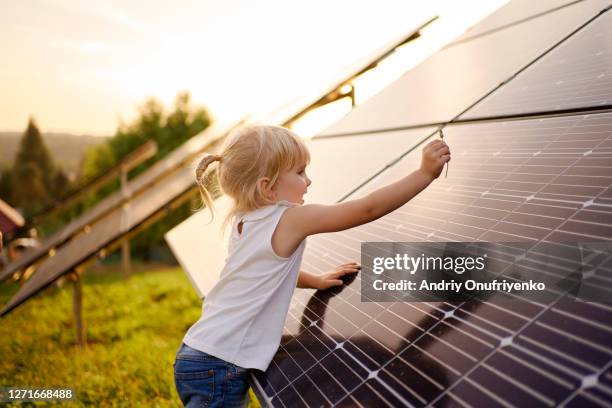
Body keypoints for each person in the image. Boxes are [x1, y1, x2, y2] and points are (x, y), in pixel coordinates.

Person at [173, 125, 451, 407]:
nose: (308, 180)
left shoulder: (244, 221)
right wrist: (424, 174)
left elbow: (264, 275)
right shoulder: (291, 218)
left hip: (197, 353)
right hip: (222, 366)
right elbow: (367, 209)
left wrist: (315, 281)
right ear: (267, 187)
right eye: (299, 172)